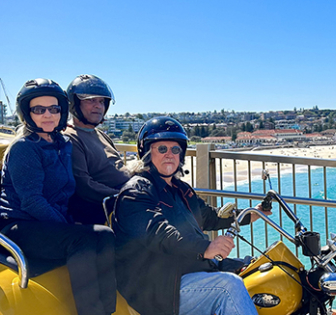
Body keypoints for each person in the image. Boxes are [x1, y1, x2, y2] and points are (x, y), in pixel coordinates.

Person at [113, 116, 270, 315]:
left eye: (175, 149)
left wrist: (251, 214)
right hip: (157, 289)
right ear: (146, 152)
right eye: (162, 149)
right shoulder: (136, 193)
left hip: (187, 271)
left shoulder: (180, 189)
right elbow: (161, 236)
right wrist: (206, 248)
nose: (169, 155)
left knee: (259, 268)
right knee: (228, 286)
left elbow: (210, 216)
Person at [0, 78, 116, 315]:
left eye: (54, 109)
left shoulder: (61, 143)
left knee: (106, 234)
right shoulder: (24, 148)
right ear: (27, 114)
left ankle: (107, 310)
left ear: (62, 111)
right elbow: (32, 201)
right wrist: (68, 225)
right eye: (39, 110)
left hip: (46, 220)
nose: (48, 115)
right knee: (84, 239)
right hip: (20, 225)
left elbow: (66, 190)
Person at [63, 74, 130, 224]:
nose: (98, 106)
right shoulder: (70, 138)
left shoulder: (100, 134)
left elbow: (115, 168)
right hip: (106, 209)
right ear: (74, 104)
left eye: (101, 101)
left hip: (126, 196)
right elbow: (84, 186)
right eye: (91, 100)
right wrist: (124, 197)